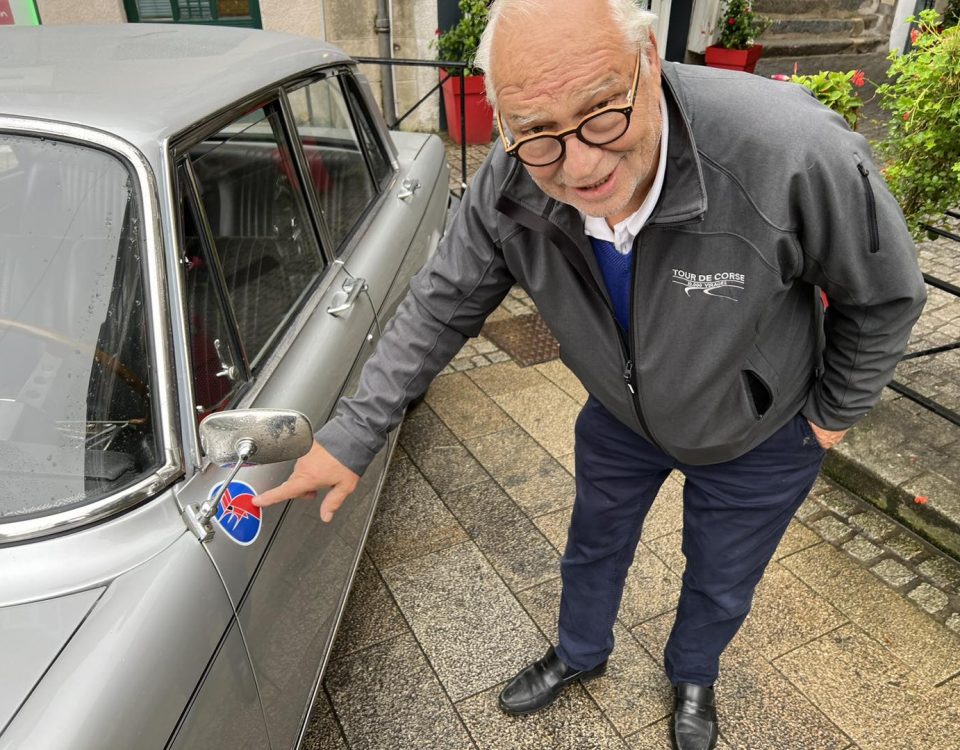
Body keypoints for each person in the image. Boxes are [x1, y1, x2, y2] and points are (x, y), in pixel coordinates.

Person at [256, 0, 926, 747]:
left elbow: (885, 292)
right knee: (592, 545)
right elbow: (439, 305)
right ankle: (579, 653)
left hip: (760, 431)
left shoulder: (789, 149)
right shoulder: (513, 176)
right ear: (505, 118)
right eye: (537, 132)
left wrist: (832, 414)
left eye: (601, 113)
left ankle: (694, 675)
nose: (579, 165)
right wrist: (350, 435)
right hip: (620, 414)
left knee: (722, 573)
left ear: (648, 63)